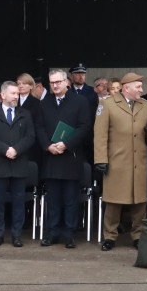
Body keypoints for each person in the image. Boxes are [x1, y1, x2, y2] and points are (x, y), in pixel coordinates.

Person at [93, 72, 147, 250]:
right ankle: (110, 236)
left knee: (139, 201)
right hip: (116, 160)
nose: (142, 90)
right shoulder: (107, 104)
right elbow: (100, 135)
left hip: (138, 160)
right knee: (114, 201)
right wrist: (101, 159)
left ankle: (138, 235)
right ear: (126, 88)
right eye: (138, 87)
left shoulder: (144, 105)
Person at [37, 69, 91, 248]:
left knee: (70, 199)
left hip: (71, 157)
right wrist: (47, 145)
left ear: (66, 82)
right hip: (51, 157)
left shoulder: (80, 102)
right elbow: (40, 127)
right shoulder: (44, 103)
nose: (55, 85)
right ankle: (52, 232)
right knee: (53, 199)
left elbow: (84, 127)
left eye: (58, 82)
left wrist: (66, 144)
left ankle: (69, 233)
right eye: (52, 83)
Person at [0, 81, 35, 247]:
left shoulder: (25, 114)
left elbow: (30, 137)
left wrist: (16, 150)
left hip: (19, 165)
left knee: (18, 203)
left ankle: (16, 235)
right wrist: (6, 149)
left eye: (17, 94)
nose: (16, 97)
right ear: (2, 95)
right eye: (13, 93)